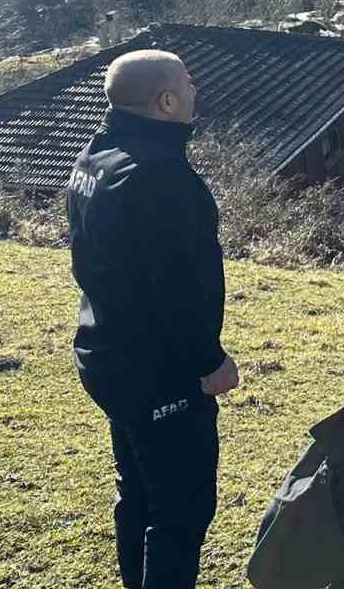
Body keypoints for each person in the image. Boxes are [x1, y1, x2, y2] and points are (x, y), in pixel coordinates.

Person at [67, 49, 239, 589]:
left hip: (108, 357)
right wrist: (210, 362)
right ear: (167, 101)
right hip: (161, 373)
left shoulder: (96, 159)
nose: (194, 91)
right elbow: (181, 290)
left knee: (138, 493)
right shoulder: (163, 177)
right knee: (180, 511)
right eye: (187, 83)